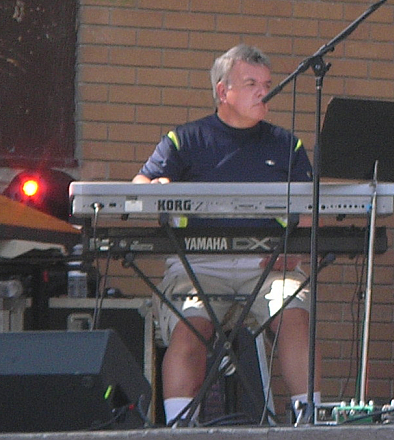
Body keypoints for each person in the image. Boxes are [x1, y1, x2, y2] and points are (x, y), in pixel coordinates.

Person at [134, 44, 320, 424]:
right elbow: (140, 185)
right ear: (223, 91)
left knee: (294, 313)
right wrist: (156, 187)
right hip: (197, 266)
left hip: (268, 266)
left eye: (267, 84)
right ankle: (179, 427)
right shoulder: (185, 139)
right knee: (190, 325)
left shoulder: (288, 145)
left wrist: (297, 251)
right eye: (251, 84)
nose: (263, 92)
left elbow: (312, 212)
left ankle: (310, 421)